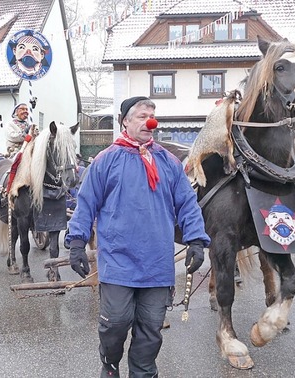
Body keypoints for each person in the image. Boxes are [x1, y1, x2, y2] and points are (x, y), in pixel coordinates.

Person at [65, 96, 210, 377]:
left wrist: (196, 240)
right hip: (118, 262)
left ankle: (143, 372)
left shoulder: (168, 162)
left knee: (150, 330)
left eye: (152, 115)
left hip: (157, 264)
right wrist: (77, 242)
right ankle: (109, 364)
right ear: (125, 122)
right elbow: (86, 203)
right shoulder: (105, 160)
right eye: (142, 116)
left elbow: (187, 203)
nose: (150, 121)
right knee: (115, 324)